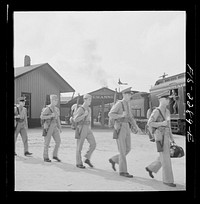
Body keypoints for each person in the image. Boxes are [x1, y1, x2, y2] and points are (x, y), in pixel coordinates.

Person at [108, 87, 142, 178]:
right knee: (123, 150)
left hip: (127, 126)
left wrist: (136, 127)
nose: (129, 96)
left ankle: (114, 159)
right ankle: (123, 171)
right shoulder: (119, 103)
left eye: (130, 95)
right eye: (128, 94)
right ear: (123, 95)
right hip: (120, 127)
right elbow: (110, 114)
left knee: (128, 148)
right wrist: (120, 115)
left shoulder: (128, 104)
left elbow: (130, 118)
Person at [145, 90, 176, 187]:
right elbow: (149, 123)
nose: (168, 101)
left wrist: (172, 138)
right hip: (160, 136)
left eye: (168, 99)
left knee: (163, 156)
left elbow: (169, 125)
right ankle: (167, 180)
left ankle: (151, 168)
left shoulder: (167, 111)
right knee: (166, 158)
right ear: (161, 100)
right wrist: (161, 124)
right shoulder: (156, 111)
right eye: (166, 99)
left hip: (166, 135)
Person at [73, 94, 96, 169]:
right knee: (79, 147)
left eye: (90, 100)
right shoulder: (81, 109)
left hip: (88, 128)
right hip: (81, 127)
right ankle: (79, 163)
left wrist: (89, 128)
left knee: (93, 144)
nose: (90, 101)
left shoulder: (89, 109)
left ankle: (86, 157)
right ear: (85, 100)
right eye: (89, 100)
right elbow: (75, 119)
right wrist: (83, 115)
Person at [40, 94, 62, 162]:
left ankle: (55, 155)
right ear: (52, 100)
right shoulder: (47, 108)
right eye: (55, 100)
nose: (56, 101)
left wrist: (60, 127)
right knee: (47, 143)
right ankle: (45, 157)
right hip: (48, 126)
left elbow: (58, 118)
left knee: (58, 141)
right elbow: (42, 117)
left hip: (55, 126)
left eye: (57, 100)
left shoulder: (57, 109)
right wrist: (50, 116)